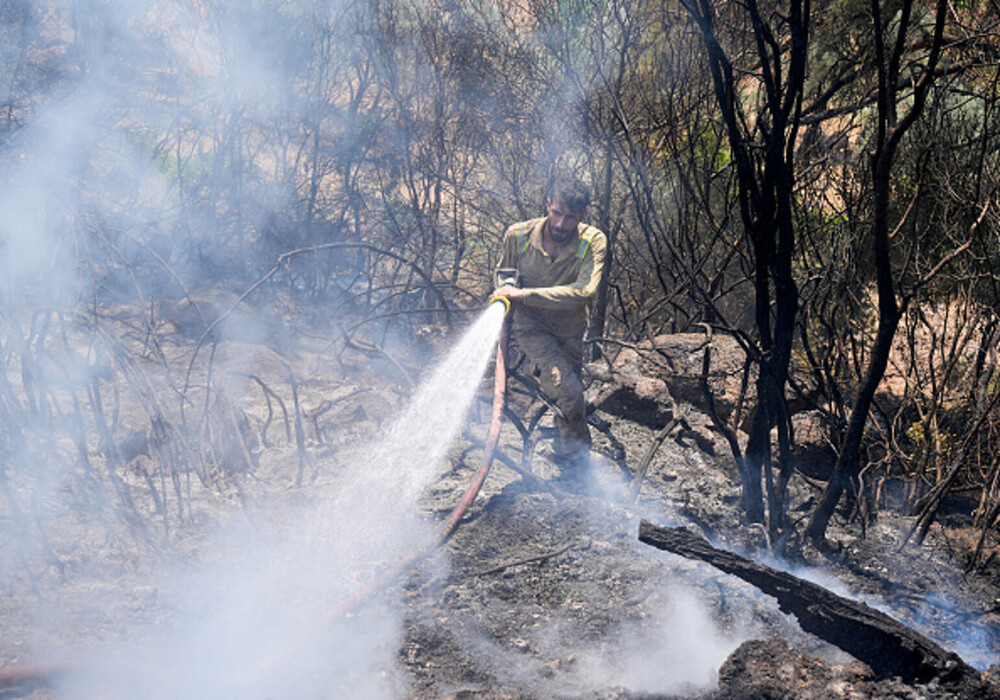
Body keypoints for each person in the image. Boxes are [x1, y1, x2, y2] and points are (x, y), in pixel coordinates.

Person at [492, 176, 607, 472]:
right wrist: (506, 290)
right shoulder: (517, 236)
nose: (560, 223)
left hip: (570, 329)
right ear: (547, 205)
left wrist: (524, 294)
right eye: (556, 212)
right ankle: (576, 464)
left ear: (581, 216)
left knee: (571, 394)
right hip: (532, 327)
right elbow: (504, 275)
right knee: (568, 390)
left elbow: (585, 291)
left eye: (570, 217)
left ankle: (567, 448)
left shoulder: (592, 242)